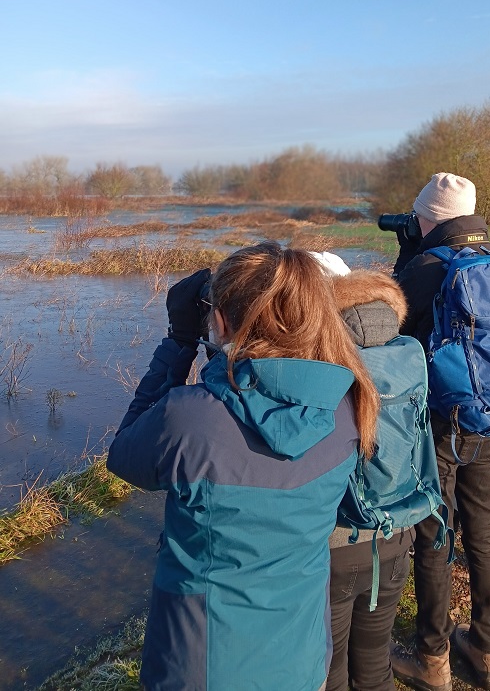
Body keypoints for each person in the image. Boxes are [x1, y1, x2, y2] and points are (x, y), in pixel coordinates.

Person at [106, 241, 380, 691]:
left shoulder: (190, 418)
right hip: (301, 655)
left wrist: (179, 342)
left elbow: (123, 456)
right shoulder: (350, 404)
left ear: (220, 321)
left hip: (203, 667)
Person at [389, 172, 490, 691]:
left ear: (430, 218)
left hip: (440, 422)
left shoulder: (427, 267)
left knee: (434, 534)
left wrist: (408, 257)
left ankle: (432, 658)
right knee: (484, 532)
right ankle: (486, 650)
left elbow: (393, 325)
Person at [325, 266, 419, 691]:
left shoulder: (319, 366)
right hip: (397, 532)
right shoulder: (407, 356)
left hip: (336, 544)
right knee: (375, 661)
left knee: (330, 667)